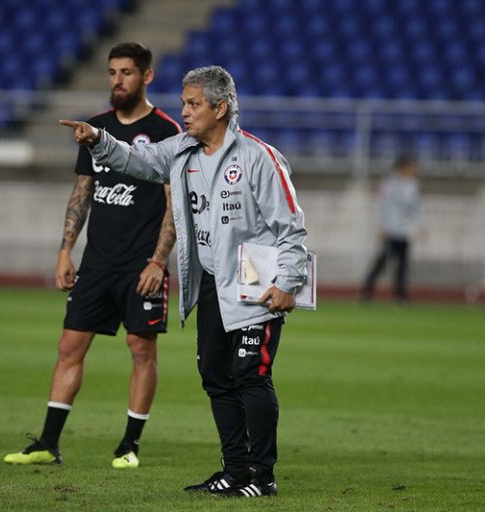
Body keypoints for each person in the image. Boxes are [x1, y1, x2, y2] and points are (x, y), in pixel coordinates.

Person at [60, 65, 308, 497]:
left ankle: (262, 476)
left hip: (256, 282)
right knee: (215, 375)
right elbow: (136, 160)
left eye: (193, 104)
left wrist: (289, 281)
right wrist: (99, 140)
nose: (185, 112)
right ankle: (235, 469)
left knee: (251, 375)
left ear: (220, 109)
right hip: (211, 281)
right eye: (184, 103)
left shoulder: (259, 158)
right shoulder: (181, 150)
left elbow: (291, 227)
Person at [3, 43, 179, 469]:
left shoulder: (166, 132)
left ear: (147, 76)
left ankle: (130, 445)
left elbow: (175, 204)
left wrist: (158, 261)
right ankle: (48, 443)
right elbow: (82, 192)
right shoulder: (94, 128)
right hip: (97, 262)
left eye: (126, 73)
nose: (117, 81)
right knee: (69, 346)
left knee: (141, 349)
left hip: (141, 265)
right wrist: (65, 250)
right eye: (112, 72)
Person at [361, 156, 420, 301]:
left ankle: (400, 295)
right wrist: (383, 226)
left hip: (404, 231)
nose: (413, 169)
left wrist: (416, 227)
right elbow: (384, 206)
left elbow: (414, 209)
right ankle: (367, 290)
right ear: (402, 167)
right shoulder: (390, 183)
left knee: (402, 264)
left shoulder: (412, 185)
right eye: (410, 166)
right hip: (391, 230)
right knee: (382, 262)